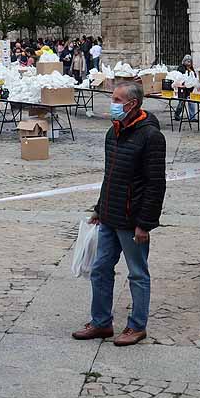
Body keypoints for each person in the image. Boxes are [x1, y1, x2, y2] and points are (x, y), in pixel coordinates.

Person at [74, 82, 164, 346]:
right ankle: (101, 322)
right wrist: (99, 208)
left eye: (116, 99)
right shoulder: (112, 133)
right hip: (110, 216)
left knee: (137, 273)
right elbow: (109, 176)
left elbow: (155, 184)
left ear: (132, 104)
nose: (111, 103)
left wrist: (145, 224)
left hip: (133, 219)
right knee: (101, 268)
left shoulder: (151, 137)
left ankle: (137, 326)